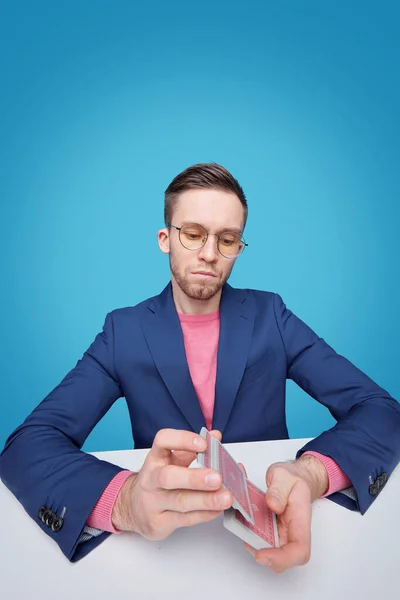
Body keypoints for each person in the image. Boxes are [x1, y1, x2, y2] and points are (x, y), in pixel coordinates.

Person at [1, 163, 399, 573]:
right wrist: (126, 501)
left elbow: (380, 409)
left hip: (269, 535)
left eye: (227, 240)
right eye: (193, 234)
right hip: (163, 556)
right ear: (165, 239)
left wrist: (311, 474)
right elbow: (27, 446)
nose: (210, 254)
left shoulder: (271, 316)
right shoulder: (124, 330)